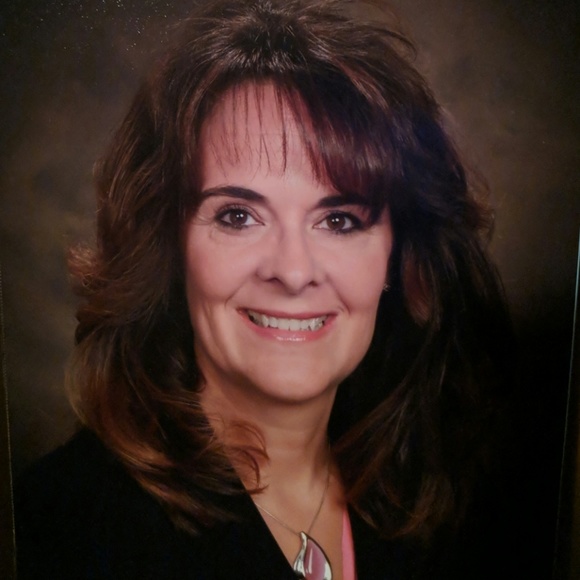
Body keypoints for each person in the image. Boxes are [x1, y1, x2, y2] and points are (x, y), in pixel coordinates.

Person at [15, 0, 515, 578]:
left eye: (339, 220)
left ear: (398, 257)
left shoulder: (434, 503)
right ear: (170, 246)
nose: (293, 272)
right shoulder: (63, 528)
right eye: (238, 216)